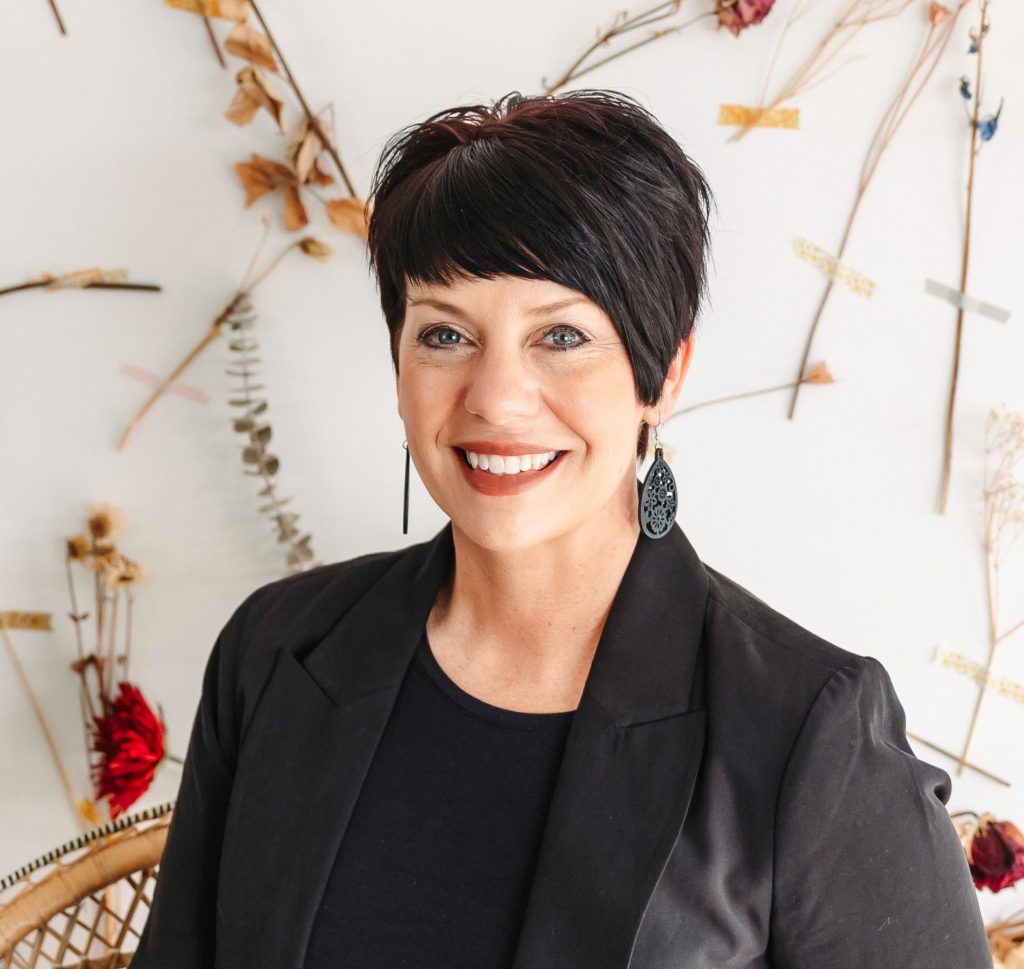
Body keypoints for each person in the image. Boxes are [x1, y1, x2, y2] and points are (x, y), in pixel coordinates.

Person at [129, 90, 991, 969]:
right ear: (397, 365)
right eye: (444, 334)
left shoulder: (810, 733)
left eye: (562, 335)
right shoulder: (275, 652)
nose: (496, 396)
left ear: (663, 373)